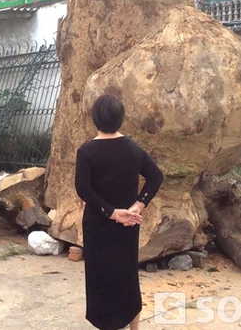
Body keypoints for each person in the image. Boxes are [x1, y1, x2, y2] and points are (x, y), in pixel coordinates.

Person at [75, 94, 164, 330]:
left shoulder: (87, 151)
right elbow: (156, 176)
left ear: (94, 118)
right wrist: (139, 205)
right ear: (121, 119)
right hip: (128, 225)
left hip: (98, 225)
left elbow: (83, 189)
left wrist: (110, 212)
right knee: (127, 276)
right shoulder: (132, 148)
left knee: (101, 279)